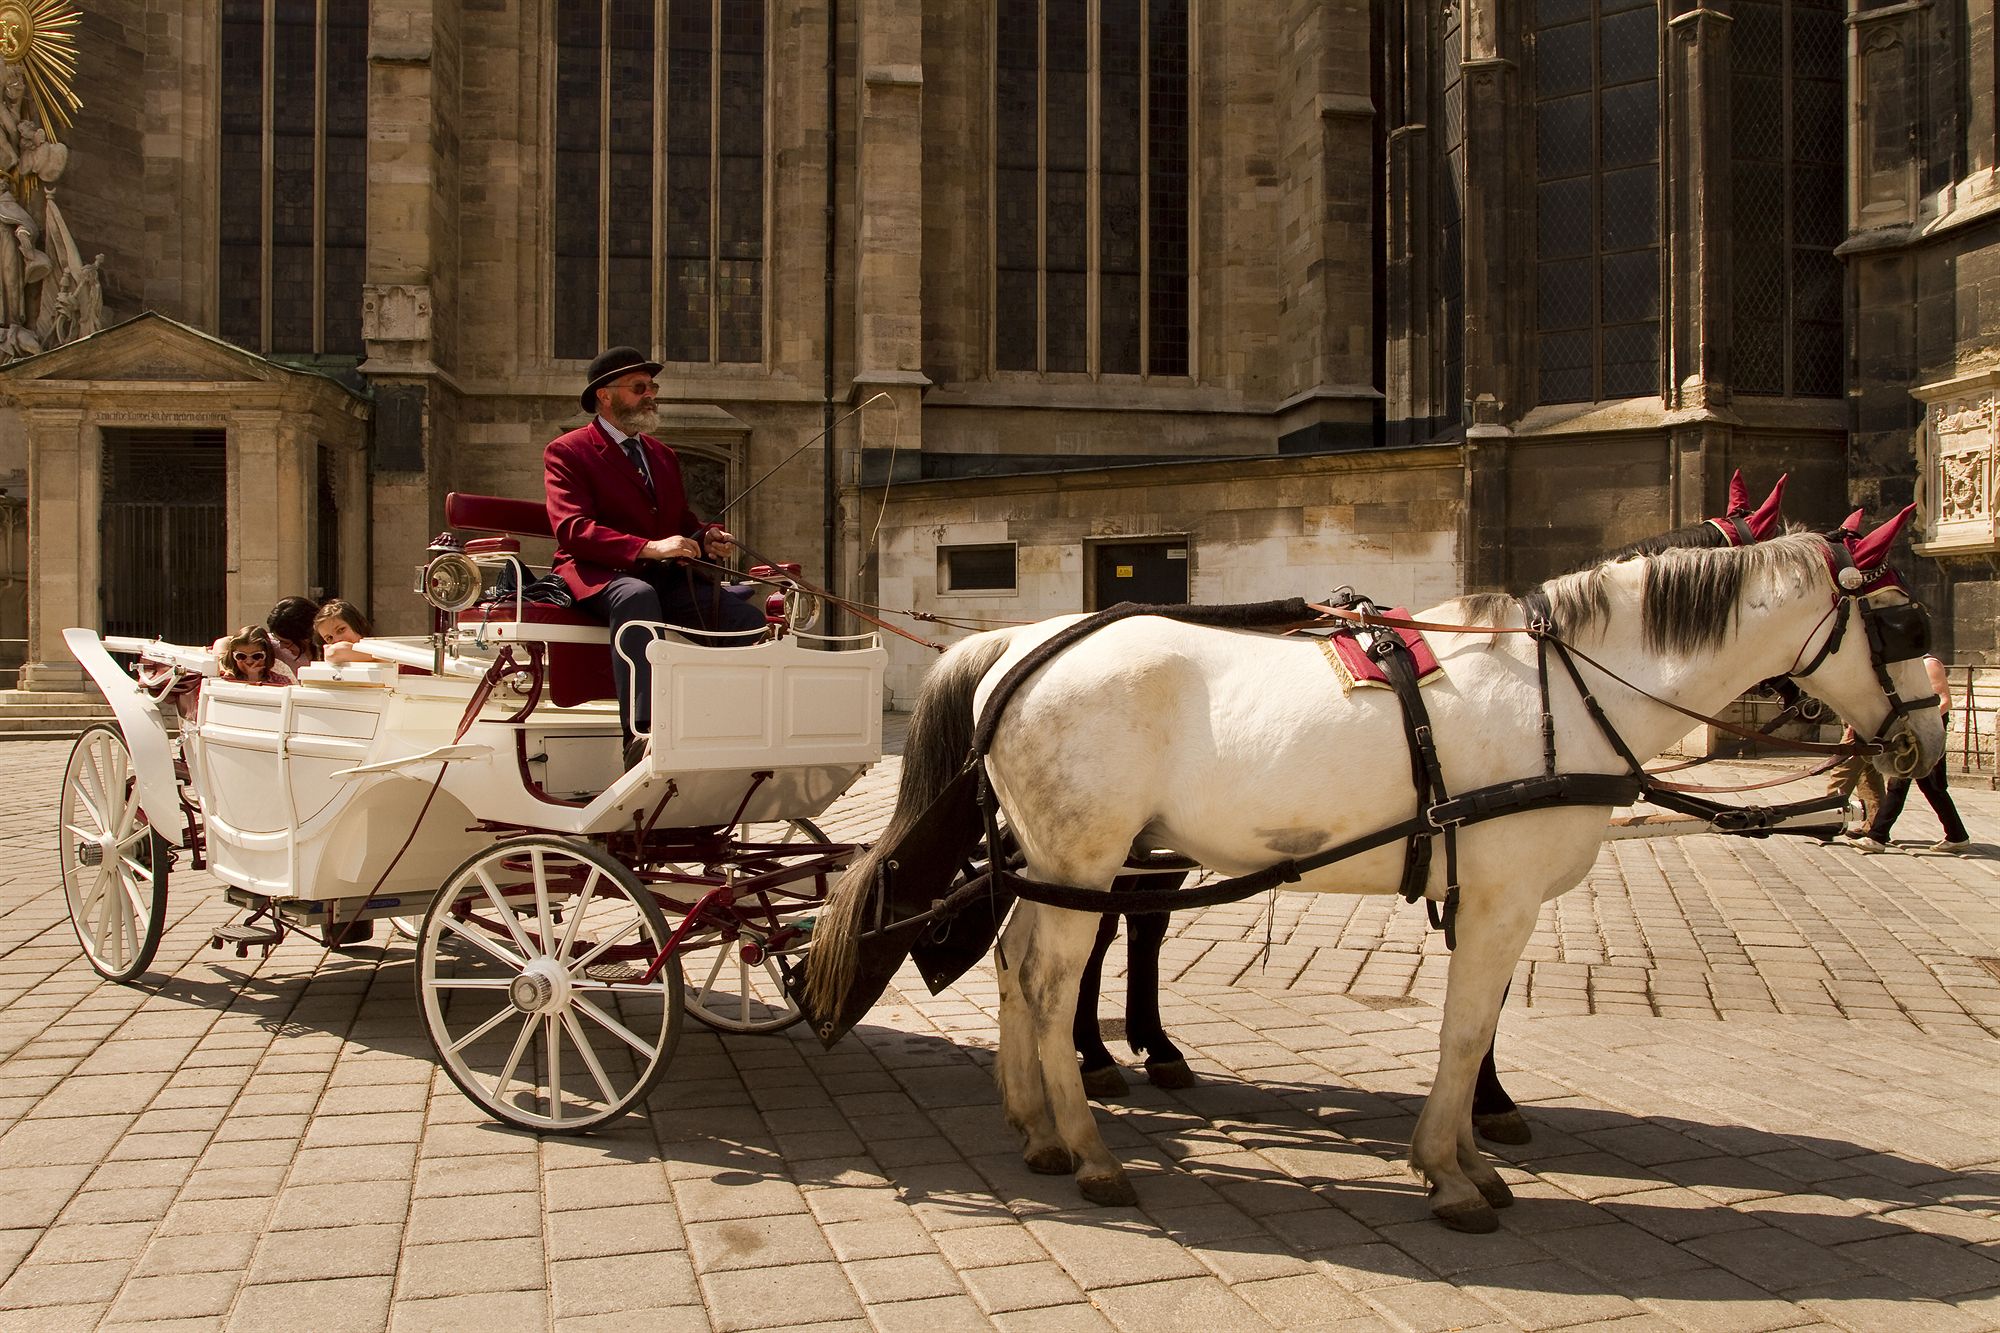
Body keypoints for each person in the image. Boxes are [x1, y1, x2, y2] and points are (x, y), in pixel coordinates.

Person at [545, 346, 766, 765]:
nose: (651, 395)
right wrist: (646, 548)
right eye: (639, 387)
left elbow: (677, 519)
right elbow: (572, 529)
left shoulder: (661, 455)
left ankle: (730, 725)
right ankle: (641, 734)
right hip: (598, 575)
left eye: (653, 387)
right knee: (636, 597)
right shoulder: (568, 451)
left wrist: (704, 535)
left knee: (744, 621)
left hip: (661, 575)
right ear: (604, 396)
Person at [1854, 654, 1970, 854]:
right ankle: (1957, 836)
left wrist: (1917, 726)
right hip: (1911, 734)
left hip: (1926, 735)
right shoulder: (1906, 667)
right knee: (1933, 788)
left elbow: (1944, 701)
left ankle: (1877, 837)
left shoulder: (1929, 664)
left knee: (1900, 783)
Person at [216, 625, 292, 686]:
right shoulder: (227, 680)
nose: (249, 661)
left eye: (257, 656)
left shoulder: (281, 682)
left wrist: (254, 679)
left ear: (267, 654)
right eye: (241, 656)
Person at [265, 596, 321, 674]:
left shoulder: (329, 650)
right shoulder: (272, 646)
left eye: (286, 643)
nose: (282, 646)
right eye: (278, 640)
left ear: (307, 637)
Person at [314, 598, 377, 664]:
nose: (337, 640)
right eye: (329, 638)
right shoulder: (332, 656)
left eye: (341, 630)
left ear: (356, 625)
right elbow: (335, 651)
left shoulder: (382, 646)